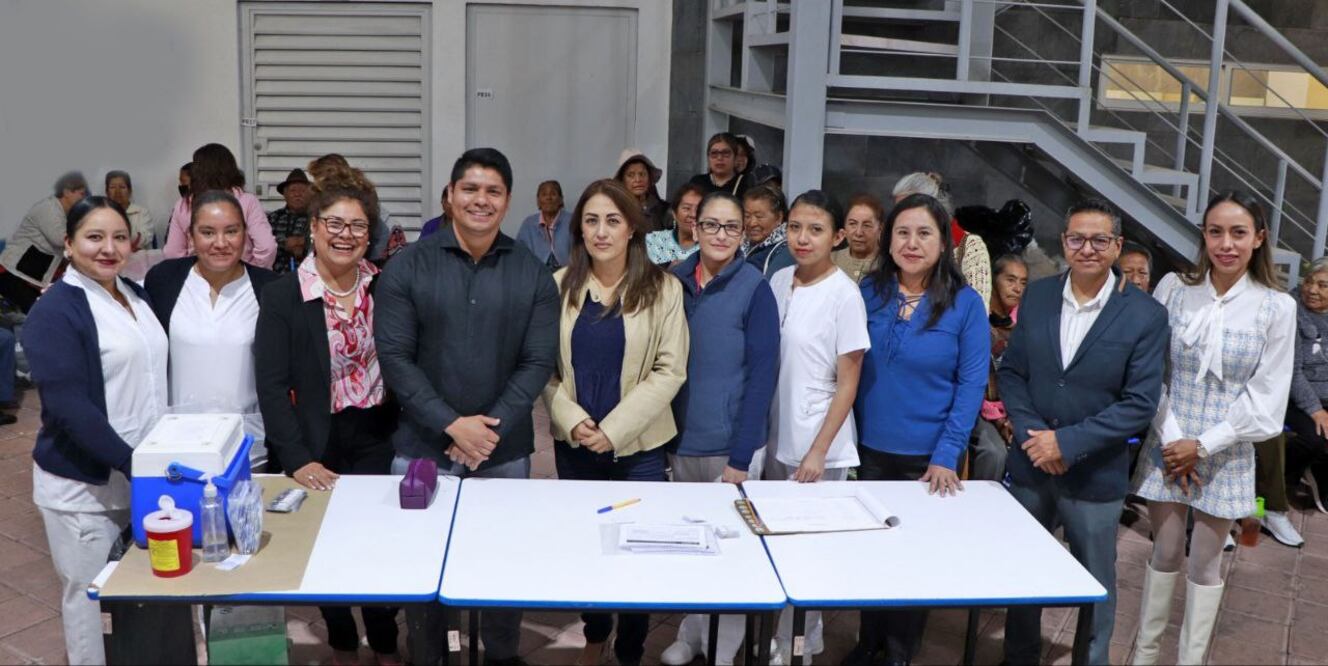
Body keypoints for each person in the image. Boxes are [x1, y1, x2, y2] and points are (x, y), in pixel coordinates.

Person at [375, 148, 558, 666]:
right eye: (471, 189)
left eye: (493, 191)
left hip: (503, 452)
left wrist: (484, 433)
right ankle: (428, 656)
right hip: (421, 448)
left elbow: (537, 362)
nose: (481, 200)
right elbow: (395, 358)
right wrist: (452, 424)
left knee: (501, 566)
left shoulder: (531, 273)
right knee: (422, 565)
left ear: (506, 201)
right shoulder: (408, 265)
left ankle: (501, 656)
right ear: (451, 196)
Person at [998, 199, 1169, 666]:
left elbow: (1139, 404)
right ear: (1064, 243)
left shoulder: (1144, 315)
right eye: (1077, 238)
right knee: (1024, 571)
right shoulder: (1038, 295)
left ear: (1116, 247)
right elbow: (1012, 373)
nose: (1087, 248)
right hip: (1033, 465)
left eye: (1099, 240)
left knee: (1096, 583)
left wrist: (1068, 444)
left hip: (1094, 475)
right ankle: (1019, 656)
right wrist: (1038, 438)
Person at [1130, 192, 1296, 665]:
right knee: (1163, 553)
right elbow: (1151, 372)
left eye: (1239, 233)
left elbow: (1267, 397)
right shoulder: (1174, 288)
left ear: (1259, 238)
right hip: (1168, 437)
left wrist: (1202, 446)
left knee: (1204, 563)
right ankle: (1144, 655)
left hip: (1226, 446)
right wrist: (1175, 439)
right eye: (1216, 231)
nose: (1226, 243)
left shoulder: (1275, 306)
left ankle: (1189, 660)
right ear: (1203, 235)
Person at [254, 169, 402, 665]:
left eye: (357, 226)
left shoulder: (386, 287)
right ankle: (341, 640)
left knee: (376, 544)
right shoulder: (282, 296)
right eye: (334, 223)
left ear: (370, 233)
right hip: (316, 438)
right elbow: (271, 387)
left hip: (378, 433)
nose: (345, 235)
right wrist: (296, 458)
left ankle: (384, 642)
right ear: (314, 227)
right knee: (325, 547)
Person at [542, 179, 688, 666]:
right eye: (591, 220)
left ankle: (630, 648)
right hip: (576, 442)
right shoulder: (559, 286)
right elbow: (543, 368)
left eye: (613, 220)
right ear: (579, 229)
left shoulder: (664, 288)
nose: (601, 231)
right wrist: (575, 421)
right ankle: (594, 633)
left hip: (641, 446)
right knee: (588, 545)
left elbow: (671, 369)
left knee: (635, 551)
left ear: (631, 229)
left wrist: (615, 430)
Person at [24, 197, 168, 666]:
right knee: (89, 600)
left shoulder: (133, 293)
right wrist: (131, 463)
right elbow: (68, 407)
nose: (108, 248)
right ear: (68, 244)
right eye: (94, 237)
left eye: (119, 237)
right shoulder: (56, 310)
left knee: (144, 591)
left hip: (143, 477)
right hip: (84, 485)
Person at [845, 194, 988, 665]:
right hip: (868, 449)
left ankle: (901, 653)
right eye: (902, 232)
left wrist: (947, 453)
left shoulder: (965, 304)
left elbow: (970, 385)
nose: (911, 243)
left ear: (943, 242)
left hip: (927, 458)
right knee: (870, 555)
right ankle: (868, 645)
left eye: (924, 233)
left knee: (913, 558)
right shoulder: (869, 291)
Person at [660, 191, 779, 666]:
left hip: (730, 444)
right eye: (711, 225)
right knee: (688, 544)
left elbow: (763, 374)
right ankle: (690, 631)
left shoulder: (754, 287)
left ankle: (725, 648)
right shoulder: (674, 280)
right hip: (679, 439)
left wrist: (740, 456)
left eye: (731, 227)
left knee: (730, 550)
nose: (721, 235)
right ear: (693, 226)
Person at [765, 190, 870, 663]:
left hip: (817, 441)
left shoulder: (844, 295)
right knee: (775, 543)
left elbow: (848, 383)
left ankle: (801, 648)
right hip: (775, 431)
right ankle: (778, 640)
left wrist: (818, 451)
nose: (802, 238)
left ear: (838, 237)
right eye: (794, 227)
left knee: (807, 553)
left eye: (816, 230)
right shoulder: (780, 278)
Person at [145, 190, 278, 470]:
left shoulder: (270, 289)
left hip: (249, 446)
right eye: (207, 232)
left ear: (245, 234)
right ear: (191, 237)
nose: (220, 243)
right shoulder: (164, 280)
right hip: (179, 443)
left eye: (231, 231)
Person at [163, 144, 277, 268]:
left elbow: (173, 253)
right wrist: (252, 273)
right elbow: (267, 247)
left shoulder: (184, 204)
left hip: (199, 279)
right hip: (241, 278)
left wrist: (191, 278)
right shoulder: (247, 201)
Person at [893, 171, 991, 312]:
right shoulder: (895, 242)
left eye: (907, 209)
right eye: (897, 211)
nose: (901, 217)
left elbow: (978, 313)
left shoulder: (969, 246)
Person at [971, 254, 1028, 481]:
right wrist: (998, 418)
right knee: (994, 454)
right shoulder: (977, 320)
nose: (1017, 288)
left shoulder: (1022, 327)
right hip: (976, 406)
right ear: (994, 281)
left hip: (1010, 410)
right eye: (1010, 280)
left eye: (1023, 282)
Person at [0, 171, 88, 312]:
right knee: (36, 315)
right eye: (81, 194)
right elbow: (60, 239)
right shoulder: (48, 208)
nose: (83, 198)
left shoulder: (64, 214)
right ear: (66, 191)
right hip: (13, 275)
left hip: (30, 277)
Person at [1286, 259, 1328, 520]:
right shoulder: (1290, 312)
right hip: (1295, 396)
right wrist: (1316, 410)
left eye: (1322, 285)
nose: (1312, 289)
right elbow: (1292, 372)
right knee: (1314, 438)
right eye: (1309, 282)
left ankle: (1320, 472)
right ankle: (1283, 477)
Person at [308, 154, 393, 262]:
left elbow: (382, 232)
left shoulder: (361, 197)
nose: (345, 234)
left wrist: (371, 262)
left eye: (318, 177)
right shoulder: (320, 199)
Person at [515, 180, 573, 269]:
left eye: (553, 194)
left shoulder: (572, 221)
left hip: (567, 273)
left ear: (561, 200)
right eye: (544, 194)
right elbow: (519, 252)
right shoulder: (529, 224)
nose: (548, 197)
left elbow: (580, 252)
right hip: (537, 274)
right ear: (538, 201)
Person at [645, 182, 703, 266]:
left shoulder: (710, 246)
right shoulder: (655, 241)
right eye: (686, 208)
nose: (693, 215)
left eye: (699, 209)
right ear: (674, 214)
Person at [743, 184, 794, 278]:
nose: (752, 223)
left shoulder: (784, 251)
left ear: (779, 217)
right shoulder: (741, 245)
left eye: (759, 216)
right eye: (747, 216)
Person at [267, 168, 313, 273]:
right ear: (285, 194)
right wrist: (285, 244)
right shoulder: (273, 217)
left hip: (309, 280)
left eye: (302, 190)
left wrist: (304, 243)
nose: (297, 194)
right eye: (293, 190)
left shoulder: (316, 218)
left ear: (310, 194)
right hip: (275, 276)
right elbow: (263, 244)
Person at [615, 150, 670, 233]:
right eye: (631, 175)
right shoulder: (615, 209)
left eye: (642, 174)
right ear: (622, 181)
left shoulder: (663, 210)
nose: (638, 180)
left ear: (649, 178)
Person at [833, 193, 883, 283]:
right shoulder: (830, 261)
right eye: (852, 224)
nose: (859, 232)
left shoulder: (888, 264)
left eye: (867, 225)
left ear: (880, 229)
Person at [104, 170, 154, 250]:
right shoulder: (102, 214)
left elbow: (145, 239)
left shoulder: (142, 212)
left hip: (139, 258)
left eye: (122, 187)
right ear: (107, 192)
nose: (117, 192)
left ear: (130, 191)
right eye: (112, 187)